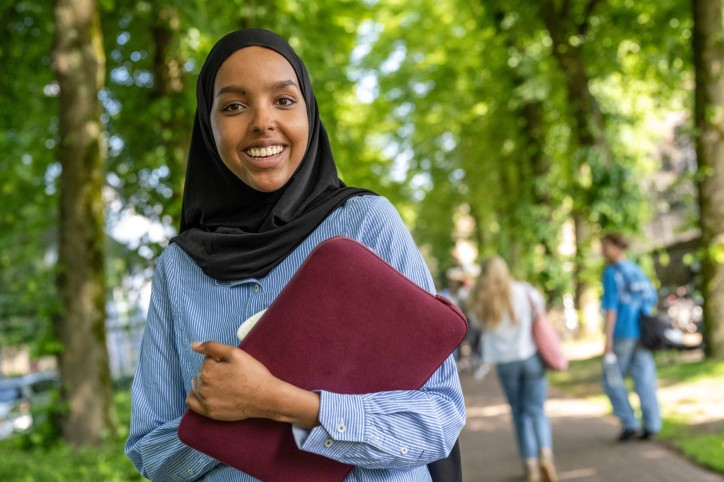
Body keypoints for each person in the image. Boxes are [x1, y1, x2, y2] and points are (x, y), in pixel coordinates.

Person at [124, 29, 465, 481]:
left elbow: (439, 417)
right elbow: (150, 451)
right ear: (208, 129)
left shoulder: (367, 224)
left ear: (309, 112)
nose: (263, 121)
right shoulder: (179, 269)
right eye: (234, 106)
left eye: (283, 101)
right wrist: (220, 412)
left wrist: (274, 403)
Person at [468, 256, 558, 482]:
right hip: (530, 357)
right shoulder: (524, 291)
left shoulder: (480, 299)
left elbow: (476, 326)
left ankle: (529, 465)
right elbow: (540, 312)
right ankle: (545, 456)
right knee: (537, 410)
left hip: (505, 363)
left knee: (519, 414)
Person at [600, 232, 661, 441]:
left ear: (617, 247)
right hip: (642, 333)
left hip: (623, 333)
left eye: (606, 246)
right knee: (644, 379)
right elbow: (651, 298)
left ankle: (630, 423)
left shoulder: (611, 272)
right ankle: (652, 425)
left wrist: (607, 339)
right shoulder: (636, 270)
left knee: (612, 379)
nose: (602, 250)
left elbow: (611, 308)